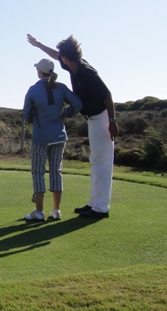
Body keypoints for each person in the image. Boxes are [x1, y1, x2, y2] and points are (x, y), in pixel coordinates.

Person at [27, 34, 119, 219]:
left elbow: (107, 95)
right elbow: (55, 55)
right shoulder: (72, 66)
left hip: (102, 118)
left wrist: (112, 121)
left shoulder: (87, 72)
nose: (59, 58)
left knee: (102, 163)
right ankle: (94, 203)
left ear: (66, 57)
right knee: (95, 160)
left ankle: (101, 208)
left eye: (62, 55)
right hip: (92, 118)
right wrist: (38, 45)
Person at [23, 58, 82, 223]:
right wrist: (65, 113)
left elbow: (26, 114)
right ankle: (56, 211)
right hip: (58, 136)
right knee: (56, 172)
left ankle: (39, 212)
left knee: (38, 172)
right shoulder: (61, 87)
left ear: (40, 71)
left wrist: (36, 121)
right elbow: (77, 104)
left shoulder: (33, 90)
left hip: (41, 137)